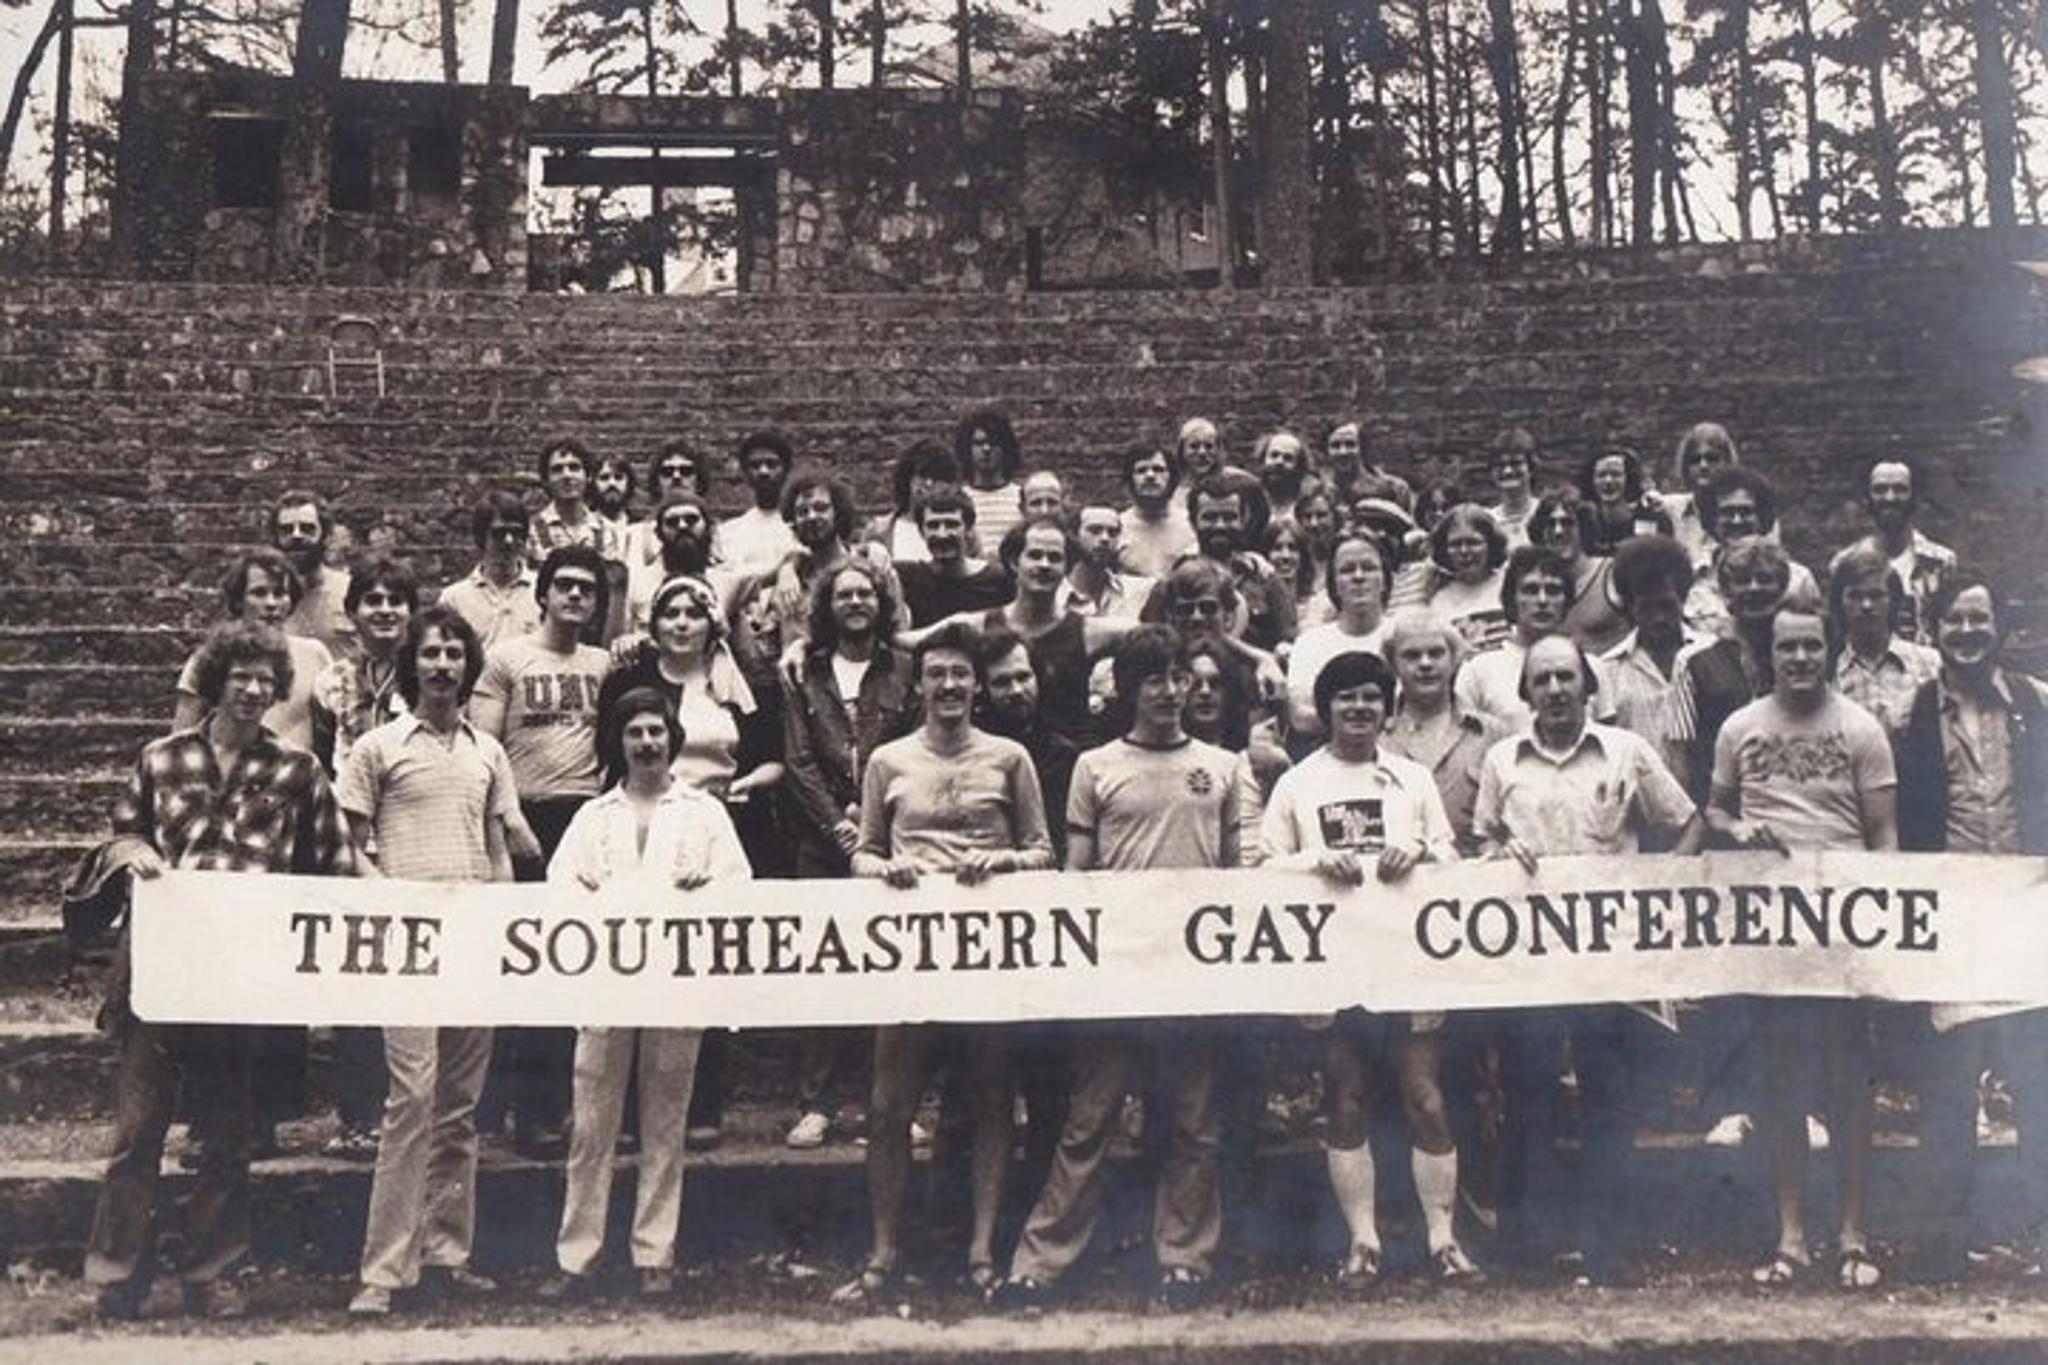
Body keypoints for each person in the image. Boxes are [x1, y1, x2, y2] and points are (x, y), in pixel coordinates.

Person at [88, 621, 352, 1321]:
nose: (254, 689)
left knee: (228, 1134)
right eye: (241, 676)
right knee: (137, 1130)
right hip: (158, 972)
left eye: (266, 679)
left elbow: (332, 866)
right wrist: (134, 850)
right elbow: (118, 832)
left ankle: (211, 1271)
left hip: (239, 975)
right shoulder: (160, 758)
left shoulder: (299, 770)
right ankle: (118, 1272)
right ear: (215, 681)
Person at [999, 626, 1249, 1312]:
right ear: (1127, 689)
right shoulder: (1095, 766)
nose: (1172, 692)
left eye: (1180, 678)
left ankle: (1185, 1256)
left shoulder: (1225, 765)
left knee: (1192, 1119)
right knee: (1089, 1119)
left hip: (1192, 972)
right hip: (1117, 968)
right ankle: (1040, 1261)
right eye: (1155, 680)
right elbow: (1079, 872)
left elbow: (1238, 872)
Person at [835, 622, 1056, 1302]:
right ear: (920, 683)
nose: (951, 685)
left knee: (993, 1100)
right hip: (910, 956)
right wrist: (885, 867)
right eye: (938, 674)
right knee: (887, 1105)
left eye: (962, 673)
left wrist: (1005, 859)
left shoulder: (1010, 758)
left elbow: (1045, 851)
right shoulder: (888, 761)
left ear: (977, 684)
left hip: (988, 954)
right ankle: (882, 1251)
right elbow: (863, 851)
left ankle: (982, 1248)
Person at [1474, 635, 1702, 1286]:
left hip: (1610, 957)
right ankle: (1526, 1247)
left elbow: (1686, 821)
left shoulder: (1626, 751)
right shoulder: (1502, 759)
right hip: (1532, 957)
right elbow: (1482, 836)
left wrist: (1658, 885)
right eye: (1541, 679)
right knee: (1529, 1096)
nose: (1554, 690)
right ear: (1525, 691)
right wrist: (1498, 856)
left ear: (1587, 686)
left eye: (1566, 678)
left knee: (1609, 1098)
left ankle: (1610, 1244)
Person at [1262, 649, 1477, 1285]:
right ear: (1325, 709)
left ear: (1387, 709)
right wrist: (1314, 864)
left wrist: (1419, 850)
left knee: (1426, 1099)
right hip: (1333, 968)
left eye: (1371, 698)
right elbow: (1265, 865)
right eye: (1345, 697)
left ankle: (1443, 1240)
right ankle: (1364, 1241)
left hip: (1406, 962)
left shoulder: (1411, 779)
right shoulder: (1299, 782)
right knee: (1346, 1097)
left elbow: (1448, 853)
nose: (1359, 708)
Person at [538, 687, 752, 1300]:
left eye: (657, 731)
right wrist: (592, 900)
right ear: (620, 741)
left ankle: (654, 1252)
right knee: (592, 1124)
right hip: (604, 988)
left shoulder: (703, 812)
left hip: (674, 989)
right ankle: (577, 1256)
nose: (647, 742)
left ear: (672, 737)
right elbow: (560, 890)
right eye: (635, 733)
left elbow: (738, 887)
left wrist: (700, 888)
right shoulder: (593, 816)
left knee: (665, 1119)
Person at [1707, 604, 1897, 1291]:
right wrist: (1735, 831)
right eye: (1787, 646)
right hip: (1769, 930)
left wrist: (1878, 931)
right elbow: (1715, 810)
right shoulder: (1740, 726)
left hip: (1843, 927)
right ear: (1770, 653)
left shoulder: (1861, 727)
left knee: (1850, 1087)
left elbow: (1884, 839)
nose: (1800, 658)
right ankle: (1791, 1234)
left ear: (1830, 648)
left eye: (1812, 645)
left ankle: (1852, 1234)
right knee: (1782, 1087)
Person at [341, 607, 519, 1316]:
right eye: (431, 654)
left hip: (474, 939)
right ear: (411, 664)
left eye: (453, 654)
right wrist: (387, 901)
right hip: (407, 944)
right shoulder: (377, 746)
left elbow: (500, 845)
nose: (442, 665)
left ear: (467, 666)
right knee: (410, 1098)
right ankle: (384, 1269)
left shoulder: (487, 751)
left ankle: (447, 1251)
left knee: (460, 1107)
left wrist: (502, 915)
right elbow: (351, 844)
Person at [1895, 572, 2048, 1282]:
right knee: (1948, 1078)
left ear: (1999, 627)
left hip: (2027, 910)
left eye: (1978, 618)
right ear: (1933, 630)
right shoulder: (1914, 714)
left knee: (2036, 1073)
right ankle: (1943, 1245)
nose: (1967, 631)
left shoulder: (2037, 702)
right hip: (1952, 917)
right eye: (1953, 619)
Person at [469, 544, 613, 1156]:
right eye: (565, 586)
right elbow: (481, 743)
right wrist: (505, 818)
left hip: (583, 819)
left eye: (587, 588)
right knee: (517, 968)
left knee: (569, 971)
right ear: (544, 593)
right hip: (522, 818)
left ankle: (547, 1112)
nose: (576, 595)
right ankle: (497, 1107)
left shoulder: (606, 663)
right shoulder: (506, 657)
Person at [780, 561, 916, 1147]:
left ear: (880, 601)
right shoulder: (802, 670)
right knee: (824, 968)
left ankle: (890, 1104)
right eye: (844, 595)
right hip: (822, 837)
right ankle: (817, 1103)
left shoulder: (905, 669)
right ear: (827, 606)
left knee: (890, 967)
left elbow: (913, 746)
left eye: (865, 593)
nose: (856, 602)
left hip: (892, 838)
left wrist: (876, 819)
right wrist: (839, 825)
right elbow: (798, 758)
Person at [308, 554, 418, 1159]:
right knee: (357, 975)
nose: (384, 610)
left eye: (395, 600)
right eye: (371, 600)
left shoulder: (428, 672)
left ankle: (412, 1112)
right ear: (352, 614)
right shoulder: (334, 683)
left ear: (411, 612)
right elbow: (325, 760)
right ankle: (357, 1115)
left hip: (411, 830)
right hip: (351, 836)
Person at [1670, 539, 1804, 801]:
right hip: (1719, 809)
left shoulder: (1801, 656)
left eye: (1765, 579)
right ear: (1726, 591)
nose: (1754, 588)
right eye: (1742, 580)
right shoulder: (1695, 660)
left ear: (1782, 587)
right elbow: (1681, 755)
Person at [174, 550, 334, 754]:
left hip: (293, 777)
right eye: (259, 593)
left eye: (279, 594)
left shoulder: (315, 654)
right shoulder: (210, 657)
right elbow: (181, 739)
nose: (271, 604)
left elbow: (334, 732)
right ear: (239, 600)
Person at [1379, 608, 1495, 856]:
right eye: (1411, 655)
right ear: (1392, 665)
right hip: (1393, 884)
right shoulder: (1376, 739)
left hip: (1479, 881)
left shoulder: (1492, 734)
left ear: (1454, 660)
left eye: (1436, 653)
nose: (1425, 663)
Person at [1600, 535, 1710, 785]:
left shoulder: (1710, 655)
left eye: (1667, 606)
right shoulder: (1610, 670)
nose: (1659, 618)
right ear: (1629, 607)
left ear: (1682, 599)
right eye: (1647, 608)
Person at [767, 473, 900, 654]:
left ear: (838, 513)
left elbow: (898, 632)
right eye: (802, 512)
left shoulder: (874, 565)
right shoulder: (791, 581)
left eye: (821, 508)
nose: (812, 517)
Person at [1827, 459, 1957, 644]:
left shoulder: (1941, 562)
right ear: (1867, 498)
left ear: (1914, 497)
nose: (1890, 498)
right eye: (1880, 489)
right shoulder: (1844, 564)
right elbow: (1839, 629)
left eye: (1900, 489)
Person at [1684, 467, 1820, 637]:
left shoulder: (1799, 580)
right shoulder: (1693, 579)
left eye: (1746, 512)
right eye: (1727, 513)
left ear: (1762, 516)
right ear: (1711, 518)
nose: (1737, 521)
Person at [1453, 545, 1575, 731]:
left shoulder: (1588, 667)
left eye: (1553, 590)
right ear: (1512, 599)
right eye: (1531, 590)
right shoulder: (1478, 671)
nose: (1542, 600)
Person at [1287, 533, 1394, 743]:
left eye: (1369, 567)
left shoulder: (1403, 637)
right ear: (1333, 584)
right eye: (1347, 570)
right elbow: (1301, 718)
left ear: (1385, 580)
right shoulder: (1310, 643)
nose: (1358, 576)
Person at [1827, 545, 1942, 740]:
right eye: (1855, 596)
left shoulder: (1929, 664)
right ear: (1840, 603)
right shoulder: (1828, 671)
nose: (1866, 606)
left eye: (1876, 595)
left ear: (1894, 600)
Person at [894, 487, 1012, 626]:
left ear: (968, 529)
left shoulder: (999, 579)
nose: (942, 534)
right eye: (933, 525)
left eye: (951, 524)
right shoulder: (909, 577)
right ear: (921, 531)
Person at [439, 491, 541, 653]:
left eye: (516, 532)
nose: (509, 541)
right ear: (481, 536)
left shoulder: (544, 591)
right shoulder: (454, 599)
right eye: (499, 533)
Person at [1526, 493, 1628, 654]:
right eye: (1551, 524)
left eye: (1568, 523)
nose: (1558, 531)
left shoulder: (1612, 573)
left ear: (1584, 528)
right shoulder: (1539, 590)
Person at [622, 438, 711, 592]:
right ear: (656, 482)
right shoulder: (631, 536)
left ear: (699, 480)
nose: (676, 477)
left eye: (686, 471)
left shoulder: (723, 536)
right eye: (667, 472)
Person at [272, 490, 354, 653]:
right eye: (286, 530)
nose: (296, 536)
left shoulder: (350, 591)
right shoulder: (265, 599)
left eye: (307, 529)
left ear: (326, 536)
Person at [526, 437, 625, 568]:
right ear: (546, 480)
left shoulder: (607, 532)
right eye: (557, 469)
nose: (566, 475)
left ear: (588, 476)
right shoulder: (531, 532)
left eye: (574, 467)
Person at [717, 429, 801, 579]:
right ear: (745, 474)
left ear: (786, 469)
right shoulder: (730, 532)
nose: (763, 471)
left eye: (771, 464)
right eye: (755, 465)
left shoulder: (805, 524)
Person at [872, 439, 959, 565]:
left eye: (936, 478)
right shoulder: (880, 530)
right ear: (907, 478)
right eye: (922, 476)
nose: (928, 484)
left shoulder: (964, 531)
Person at [1661, 422, 1739, 563]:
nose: (1703, 466)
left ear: (1727, 462)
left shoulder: (1744, 513)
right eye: (1695, 460)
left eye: (1712, 459)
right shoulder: (1670, 509)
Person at [1063, 505, 1156, 621]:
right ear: (1074, 536)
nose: (1105, 538)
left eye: (1113, 532)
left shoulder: (1139, 590)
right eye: (1095, 530)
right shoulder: (1056, 596)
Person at [1119, 440, 1196, 576]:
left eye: (1158, 469)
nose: (1150, 476)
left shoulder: (1191, 524)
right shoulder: (1118, 528)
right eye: (1141, 470)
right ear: (1130, 480)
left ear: (1172, 478)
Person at [1576, 447, 1672, 555]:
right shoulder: (1583, 522)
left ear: (1629, 479)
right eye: (1601, 475)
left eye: (1616, 474)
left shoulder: (1650, 517)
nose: (1608, 481)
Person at [956, 409, 1026, 549]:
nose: (986, 449)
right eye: (979, 443)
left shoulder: (1021, 498)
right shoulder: (958, 499)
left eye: (994, 443)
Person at [1323, 419, 1414, 511]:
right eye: (1335, 446)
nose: (1343, 452)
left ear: (1362, 448)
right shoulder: (1322, 491)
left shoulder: (1395, 489)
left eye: (1350, 444)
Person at [1259, 516, 1325, 628]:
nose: (1286, 556)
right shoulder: (1259, 607)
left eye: (1292, 548)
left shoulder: (1318, 605)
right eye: (1277, 548)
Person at [1485, 429, 1540, 549]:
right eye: (1500, 465)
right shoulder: (1487, 522)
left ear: (1531, 468)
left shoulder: (1546, 515)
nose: (1507, 471)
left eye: (1515, 463)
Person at [1253, 429, 1312, 523]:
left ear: (1299, 467)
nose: (1279, 462)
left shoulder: (1308, 502)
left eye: (1288, 458)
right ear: (1262, 459)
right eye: (1274, 455)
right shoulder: (1250, 498)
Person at [589, 451, 637, 531]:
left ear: (629, 483)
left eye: (618, 477)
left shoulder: (641, 528)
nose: (612, 483)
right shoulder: (584, 526)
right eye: (604, 478)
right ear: (593, 484)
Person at [1177, 416, 1225, 483]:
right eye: (1194, 446)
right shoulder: (1171, 486)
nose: (1202, 452)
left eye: (1209, 446)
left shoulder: (1234, 484)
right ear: (1182, 450)